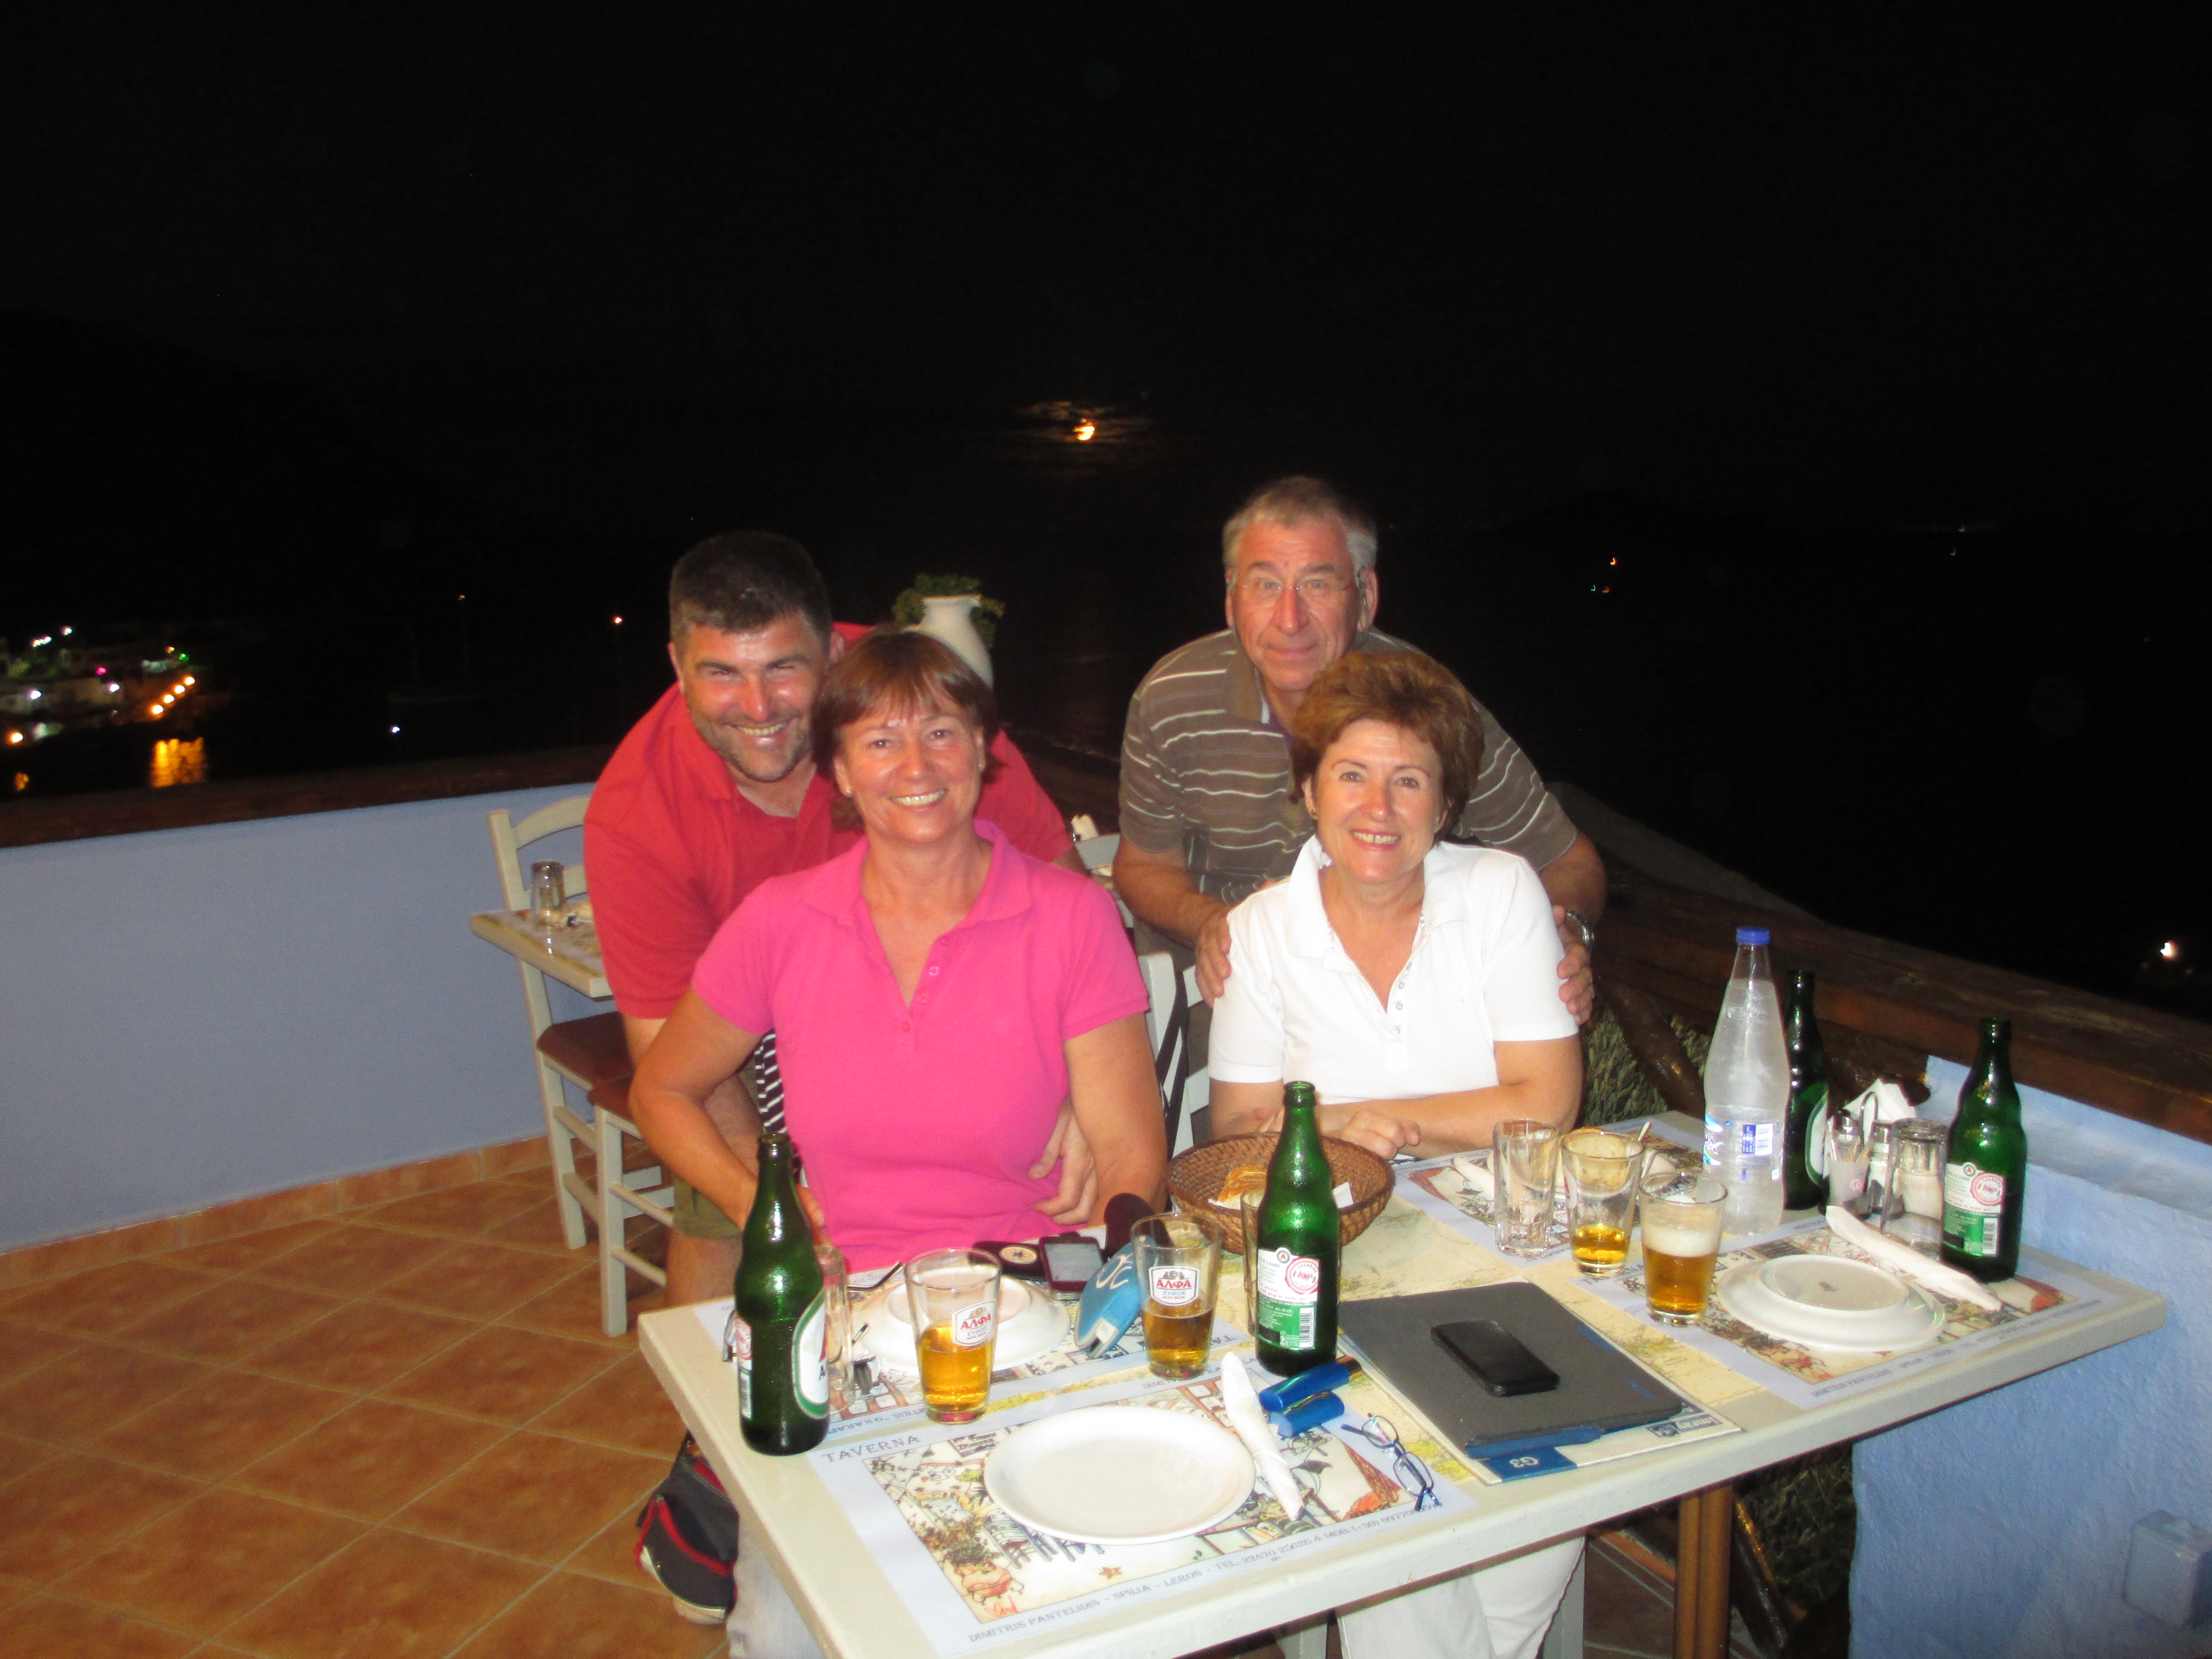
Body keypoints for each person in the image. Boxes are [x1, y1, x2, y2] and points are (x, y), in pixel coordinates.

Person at [584, 531, 1088, 1304]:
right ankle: (724, 1378)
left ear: (833, 651)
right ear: (679, 666)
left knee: (1024, 1165)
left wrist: (1087, 1094)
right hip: (738, 1020)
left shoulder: (913, 713)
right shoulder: (637, 814)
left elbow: (1067, 900)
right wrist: (764, 1203)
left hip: (943, 976)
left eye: (784, 669)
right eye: (722, 674)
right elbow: (673, 1067)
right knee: (723, 1215)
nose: (759, 708)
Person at [1209, 646, 1584, 1659]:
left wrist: (1362, 1116)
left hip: (1506, 1263)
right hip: (1337, 1272)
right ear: (1308, 789)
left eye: (1409, 780)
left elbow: (1545, 1104)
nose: (1378, 808)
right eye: (1351, 774)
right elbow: (1233, 1126)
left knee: (1553, 1475)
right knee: (1387, 1502)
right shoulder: (1260, 930)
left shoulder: (1499, 892)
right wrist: (1328, 1131)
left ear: (1446, 803)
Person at [630, 628, 1168, 1272]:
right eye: (881, 742)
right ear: (841, 771)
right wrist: (758, 1208)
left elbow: (1133, 1158)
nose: (917, 766)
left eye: (940, 733)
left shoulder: (1072, 916)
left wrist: (1097, 1282)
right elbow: (661, 1090)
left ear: (980, 748)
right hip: (854, 1290)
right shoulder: (779, 922)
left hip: (1032, 1280)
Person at [1113, 477, 1606, 1029]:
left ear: (1366, 598)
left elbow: (1568, 860)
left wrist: (1565, 932)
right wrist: (1217, 925)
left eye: (1318, 584)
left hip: (1387, 1004)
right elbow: (1143, 866)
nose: (1290, 619)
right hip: (1219, 998)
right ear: (1231, 598)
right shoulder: (1172, 699)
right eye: (1266, 584)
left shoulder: (1426, 709)